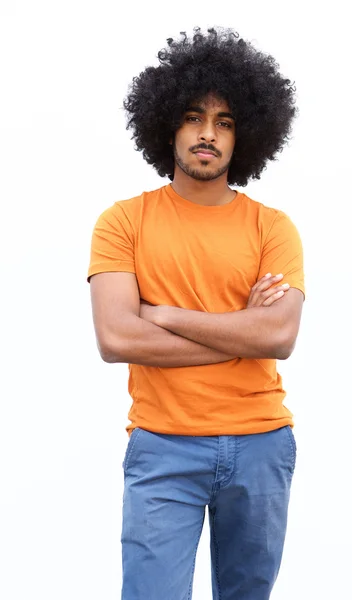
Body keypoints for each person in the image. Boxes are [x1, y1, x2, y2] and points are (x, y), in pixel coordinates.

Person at [88, 27, 305, 600]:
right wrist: (242, 330)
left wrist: (159, 313)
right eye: (194, 117)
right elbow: (115, 337)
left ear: (246, 136)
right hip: (163, 445)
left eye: (225, 122)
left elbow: (280, 336)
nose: (208, 134)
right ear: (169, 125)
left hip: (260, 443)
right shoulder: (123, 222)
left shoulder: (272, 227)